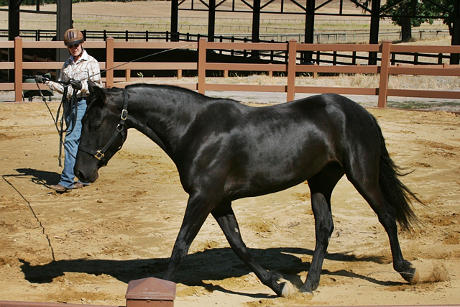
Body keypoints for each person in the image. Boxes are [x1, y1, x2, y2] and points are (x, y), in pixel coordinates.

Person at [35, 28, 102, 193]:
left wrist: (83, 86)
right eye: (71, 46)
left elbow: (97, 87)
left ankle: (66, 181)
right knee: (78, 141)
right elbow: (63, 87)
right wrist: (47, 82)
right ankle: (84, 177)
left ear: (82, 43)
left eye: (77, 44)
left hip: (84, 104)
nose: (75, 48)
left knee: (71, 140)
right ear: (68, 47)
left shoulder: (91, 63)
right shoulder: (66, 65)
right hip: (69, 105)